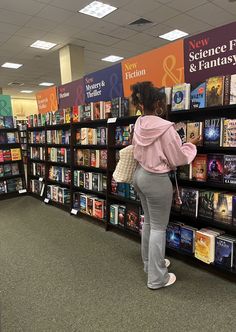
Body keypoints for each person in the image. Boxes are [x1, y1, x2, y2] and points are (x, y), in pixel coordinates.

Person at [131, 81, 199, 290]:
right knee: (159, 228)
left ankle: (150, 264)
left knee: (149, 223)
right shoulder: (165, 128)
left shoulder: (139, 124)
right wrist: (190, 146)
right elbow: (177, 157)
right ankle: (157, 278)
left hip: (140, 176)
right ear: (159, 103)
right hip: (156, 180)